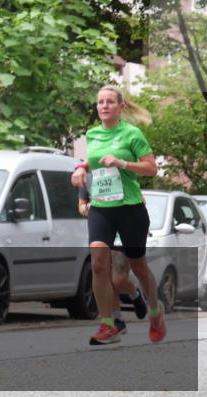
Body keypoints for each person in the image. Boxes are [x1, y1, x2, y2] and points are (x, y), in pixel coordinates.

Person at [71, 85, 165, 346]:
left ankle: (155, 313)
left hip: (130, 208)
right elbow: (93, 160)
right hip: (101, 208)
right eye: (100, 102)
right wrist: (80, 169)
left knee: (138, 267)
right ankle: (108, 324)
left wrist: (123, 163)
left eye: (110, 102)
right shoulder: (92, 134)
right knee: (99, 264)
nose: (104, 106)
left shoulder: (132, 134)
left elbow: (152, 168)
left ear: (121, 107)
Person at [77, 176, 150, 334]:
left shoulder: (120, 173)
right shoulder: (87, 179)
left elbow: (141, 201)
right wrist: (94, 206)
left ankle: (134, 294)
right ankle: (117, 319)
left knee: (118, 280)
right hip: (101, 235)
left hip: (121, 236)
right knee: (104, 278)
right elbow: (81, 207)